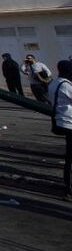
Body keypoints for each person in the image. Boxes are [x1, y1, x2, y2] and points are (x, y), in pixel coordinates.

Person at [47, 60, 72, 201]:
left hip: (60, 121)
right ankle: (69, 189)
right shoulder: (66, 85)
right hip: (69, 122)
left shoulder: (54, 83)